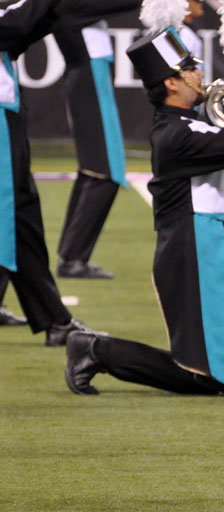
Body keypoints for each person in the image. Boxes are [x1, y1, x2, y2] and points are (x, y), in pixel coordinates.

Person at [63, 26, 224, 396]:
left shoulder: (191, 124)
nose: (200, 74)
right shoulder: (176, 135)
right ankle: (97, 350)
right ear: (170, 83)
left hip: (209, 248)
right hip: (190, 253)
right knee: (201, 381)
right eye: (189, 69)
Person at [1, 0, 100, 347]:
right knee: (5, 222)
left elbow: (20, 32)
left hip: (8, 117)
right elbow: (11, 27)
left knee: (23, 223)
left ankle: (55, 320)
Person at [54, 2, 142, 279]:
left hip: (91, 74)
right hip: (88, 76)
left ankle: (73, 255)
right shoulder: (71, 5)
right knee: (103, 170)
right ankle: (72, 258)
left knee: (99, 169)